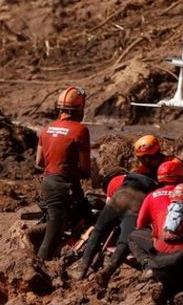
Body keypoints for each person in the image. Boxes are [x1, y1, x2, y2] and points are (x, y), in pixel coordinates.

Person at [35, 86, 91, 261]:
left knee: (70, 216)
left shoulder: (46, 129)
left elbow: (39, 163)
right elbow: (85, 167)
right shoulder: (80, 130)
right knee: (54, 232)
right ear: (80, 109)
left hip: (47, 183)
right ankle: (39, 266)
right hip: (63, 186)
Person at [73, 169, 159, 281]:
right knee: (125, 240)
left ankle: (82, 269)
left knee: (98, 230)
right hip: (137, 204)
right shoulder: (155, 186)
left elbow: (108, 203)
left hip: (118, 199)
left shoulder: (117, 180)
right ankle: (108, 270)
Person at [106, 135, 183, 197]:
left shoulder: (173, 164)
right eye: (142, 158)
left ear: (157, 153)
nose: (146, 161)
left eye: (150, 158)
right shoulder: (142, 170)